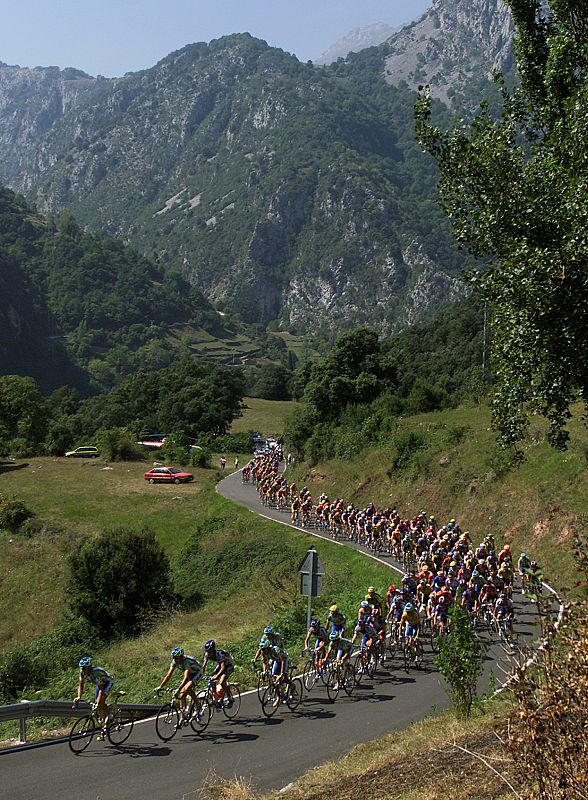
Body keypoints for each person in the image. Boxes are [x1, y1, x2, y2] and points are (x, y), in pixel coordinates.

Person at [154, 647, 204, 724]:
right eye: (174, 658)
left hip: (198, 672)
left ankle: (198, 705)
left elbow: (186, 677)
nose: (175, 660)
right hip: (190, 673)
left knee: (187, 688)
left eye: (176, 658)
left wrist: (179, 688)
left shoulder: (186, 662)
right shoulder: (174, 662)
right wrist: (161, 686)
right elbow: (168, 675)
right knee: (182, 694)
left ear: (181, 657)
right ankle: (182, 717)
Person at [73, 657, 114, 740]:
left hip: (107, 682)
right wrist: (79, 697)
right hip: (100, 685)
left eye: (84, 668)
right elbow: (81, 685)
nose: (82, 670)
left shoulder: (96, 673)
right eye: (82, 668)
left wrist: (98, 703)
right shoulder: (82, 672)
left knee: (100, 702)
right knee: (97, 705)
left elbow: (101, 689)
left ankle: (110, 716)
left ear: (89, 667)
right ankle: (103, 723)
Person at [202, 640, 234, 705]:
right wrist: (201, 674)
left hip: (229, 664)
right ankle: (216, 698)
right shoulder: (207, 654)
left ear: (213, 649)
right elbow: (203, 666)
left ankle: (230, 696)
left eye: (210, 651)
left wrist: (217, 676)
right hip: (221, 664)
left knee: (222, 681)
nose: (208, 653)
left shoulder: (219, 654)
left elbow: (223, 668)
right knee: (212, 678)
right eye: (207, 651)